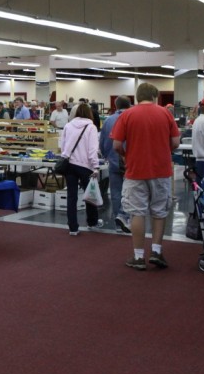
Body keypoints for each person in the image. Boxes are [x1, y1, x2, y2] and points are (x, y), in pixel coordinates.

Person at [110, 83, 180, 270]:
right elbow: (175, 141)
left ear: (138, 96)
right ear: (155, 96)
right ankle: (156, 251)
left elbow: (116, 145)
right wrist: (165, 151)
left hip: (135, 171)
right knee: (159, 211)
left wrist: (126, 155)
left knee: (137, 212)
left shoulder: (127, 115)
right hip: (161, 170)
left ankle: (138, 256)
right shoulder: (166, 114)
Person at [60, 103, 102, 236]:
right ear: (89, 113)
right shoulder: (91, 127)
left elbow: (63, 146)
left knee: (71, 197)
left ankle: (73, 228)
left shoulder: (68, 125)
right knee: (90, 195)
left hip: (70, 165)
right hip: (85, 166)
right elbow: (92, 150)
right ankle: (92, 222)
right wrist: (95, 166)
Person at [100, 96, 131, 233]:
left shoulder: (108, 120)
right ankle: (127, 218)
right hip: (131, 161)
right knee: (130, 191)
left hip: (113, 159)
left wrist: (107, 155)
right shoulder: (133, 118)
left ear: (115, 105)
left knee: (115, 192)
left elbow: (103, 142)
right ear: (130, 104)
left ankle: (118, 222)